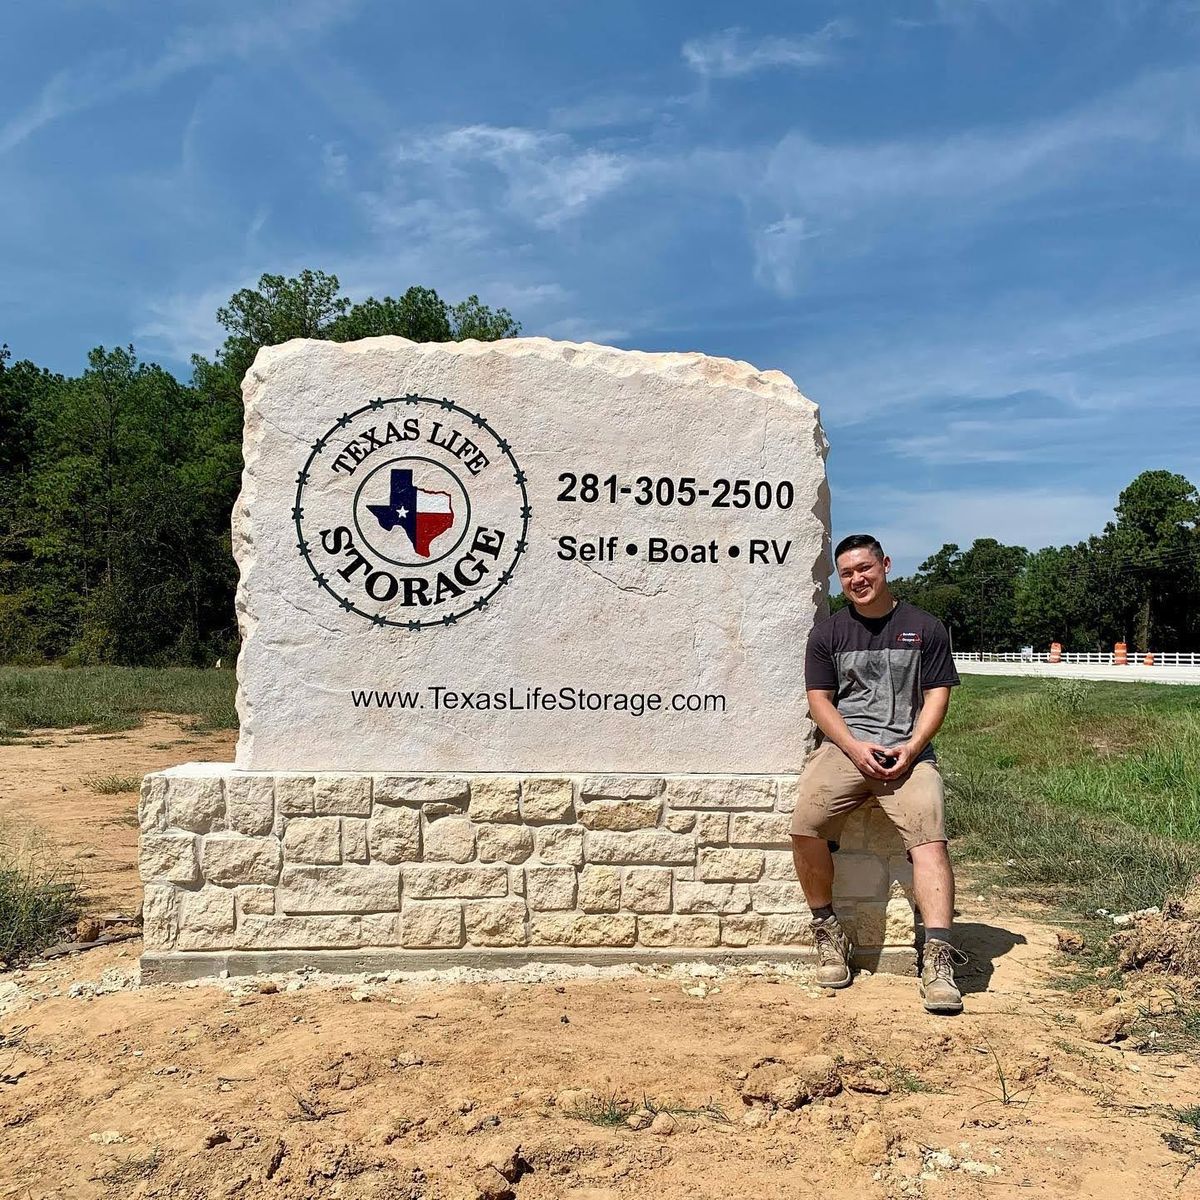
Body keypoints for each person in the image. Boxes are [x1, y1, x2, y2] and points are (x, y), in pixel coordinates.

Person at [790, 533, 966, 1013]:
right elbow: (820, 701)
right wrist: (852, 746)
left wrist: (912, 748)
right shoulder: (828, 634)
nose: (857, 579)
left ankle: (938, 958)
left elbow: (937, 696)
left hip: (907, 752)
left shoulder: (925, 628)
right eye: (846, 573)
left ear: (885, 565)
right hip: (846, 749)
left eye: (864, 568)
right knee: (805, 825)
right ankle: (827, 930)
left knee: (930, 839)